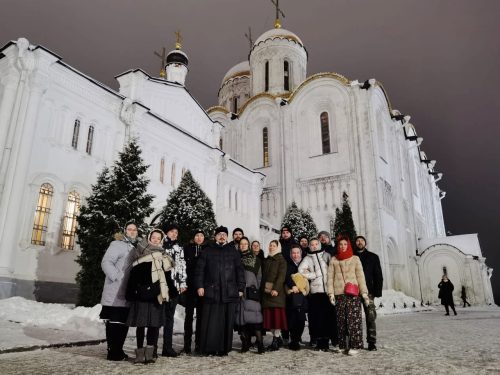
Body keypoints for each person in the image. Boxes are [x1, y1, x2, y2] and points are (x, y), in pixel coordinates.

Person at [195, 226, 246, 356]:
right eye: (219, 234)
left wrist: (240, 287)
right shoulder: (207, 250)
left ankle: (223, 349)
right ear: (215, 236)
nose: (222, 236)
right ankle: (208, 348)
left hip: (229, 291)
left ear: (227, 237)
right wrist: (200, 286)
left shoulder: (233, 251)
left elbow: (239, 271)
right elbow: (200, 270)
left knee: (226, 321)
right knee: (210, 321)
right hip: (211, 291)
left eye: (224, 234)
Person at [126, 229, 173, 364]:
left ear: (161, 240)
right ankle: (140, 354)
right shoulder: (140, 251)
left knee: (153, 325)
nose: (156, 240)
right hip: (141, 294)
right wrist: (131, 291)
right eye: (154, 237)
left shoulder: (164, 257)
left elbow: (168, 278)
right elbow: (133, 273)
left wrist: (172, 292)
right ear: (149, 238)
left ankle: (149, 354)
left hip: (156, 295)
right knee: (141, 326)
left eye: (159, 238)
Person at [100, 222, 138, 361]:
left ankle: (119, 350)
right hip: (115, 290)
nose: (132, 232)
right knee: (114, 321)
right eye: (130, 229)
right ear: (125, 231)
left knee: (123, 322)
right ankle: (112, 352)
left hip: (128, 291)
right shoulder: (117, 245)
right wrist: (117, 276)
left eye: (135, 230)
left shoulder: (135, 247)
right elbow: (106, 262)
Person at [327, 235, 370, 356]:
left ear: (348, 245)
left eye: (345, 244)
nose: (343, 246)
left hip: (353, 294)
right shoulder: (334, 260)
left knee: (353, 321)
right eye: (340, 244)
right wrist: (330, 293)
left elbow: (361, 277)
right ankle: (342, 345)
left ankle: (354, 345)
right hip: (339, 293)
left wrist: (364, 294)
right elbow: (330, 278)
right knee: (341, 321)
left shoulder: (355, 259)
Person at [299, 238, 335, 351]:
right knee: (318, 318)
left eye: (316, 244)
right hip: (316, 292)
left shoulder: (326, 255)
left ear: (319, 245)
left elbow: (333, 269)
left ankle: (328, 340)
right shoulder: (307, 258)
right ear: (309, 246)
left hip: (328, 291)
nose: (314, 246)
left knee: (328, 317)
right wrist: (315, 275)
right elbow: (301, 270)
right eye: (312, 244)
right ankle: (320, 341)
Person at [160, 223, 187, 357]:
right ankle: (151, 348)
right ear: (166, 233)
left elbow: (182, 266)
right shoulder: (160, 246)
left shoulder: (179, 248)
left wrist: (182, 283)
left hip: (174, 288)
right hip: (161, 287)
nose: (174, 234)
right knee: (158, 317)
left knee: (169, 318)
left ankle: (167, 348)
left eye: (176, 232)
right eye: (172, 232)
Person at [234, 237, 265, 354]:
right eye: (241, 244)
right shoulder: (235, 258)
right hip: (238, 291)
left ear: (248, 245)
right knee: (241, 319)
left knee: (255, 318)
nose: (243, 246)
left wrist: (256, 288)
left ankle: (260, 343)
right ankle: (245, 343)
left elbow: (260, 276)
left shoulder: (255, 259)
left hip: (251, 291)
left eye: (245, 244)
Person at [354, 235, 383, 351]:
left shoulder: (373, 257)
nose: (360, 242)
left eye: (362, 241)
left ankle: (372, 342)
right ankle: (356, 341)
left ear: (365, 243)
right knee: (355, 318)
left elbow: (378, 275)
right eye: (357, 241)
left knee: (370, 316)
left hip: (369, 291)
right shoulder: (352, 257)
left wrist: (377, 291)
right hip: (354, 291)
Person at [182, 229, 207, 354]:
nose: (199, 237)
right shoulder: (187, 248)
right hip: (190, 287)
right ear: (193, 237)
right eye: (197, 235)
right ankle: (186, 345)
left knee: (201, 317)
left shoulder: (207, 249)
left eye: (201, 235)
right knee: (189, 316)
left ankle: (199, 343)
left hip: (202, 287)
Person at [262, 240, 288, 351]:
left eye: (274, 246)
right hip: (266, 293)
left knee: (276, 319)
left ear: (278, 247)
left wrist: (276, 289)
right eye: (270, 245)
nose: (271, 247)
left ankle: (276, 340)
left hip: (276, 294)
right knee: (270, 319)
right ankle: (278, 339)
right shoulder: (267, 259)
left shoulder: (281, 260)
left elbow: (281, 276)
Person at [285, 244, 309, 351]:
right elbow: (286, 277)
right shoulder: (288, 265)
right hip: (291, 295)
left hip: (303, 295)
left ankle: (297, 338)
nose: (295, 255)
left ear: (300, 254)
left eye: (297, 253)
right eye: (293, 253)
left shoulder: (304, 265)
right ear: (291, 254)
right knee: (292, 319)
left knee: (301, 319)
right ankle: (293, 340)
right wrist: (293, 286)